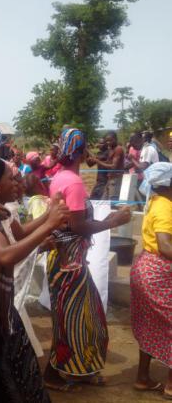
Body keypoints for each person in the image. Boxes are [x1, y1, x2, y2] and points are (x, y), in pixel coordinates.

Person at [0, 156, 69, 403]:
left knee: (0, 366)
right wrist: (49, 226)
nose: (17, 183)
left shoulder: (2, 213)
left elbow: (22, 233)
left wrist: (49, 215)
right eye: (11, 179)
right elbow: (5, 255)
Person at [44, 128, 131, 391]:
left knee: (87, 318)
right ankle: (52, 375)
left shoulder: (60, 176)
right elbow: (79, 226)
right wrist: (111, 221)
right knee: (72, 320)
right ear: (82, 152)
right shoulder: (74, 183)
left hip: (66, 259)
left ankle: (81, 369)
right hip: (69, 262)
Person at [130, 162, 172, 399]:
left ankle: (143, 378)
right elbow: (165, 246)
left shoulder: (156, 201)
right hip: (158, 272)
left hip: (145, 269)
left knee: (150, 324)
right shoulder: (165, 206)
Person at [87, 131, 125, 201]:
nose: (108, 142)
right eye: (107, 141)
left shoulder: (118, 149)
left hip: (115, 179)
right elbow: (107, 162)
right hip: (110, 178)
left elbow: (113, 166)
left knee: (112, 202)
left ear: (116, 139)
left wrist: (98, 161)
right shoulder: (111, 149)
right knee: (103, 202)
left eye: (110, 140)